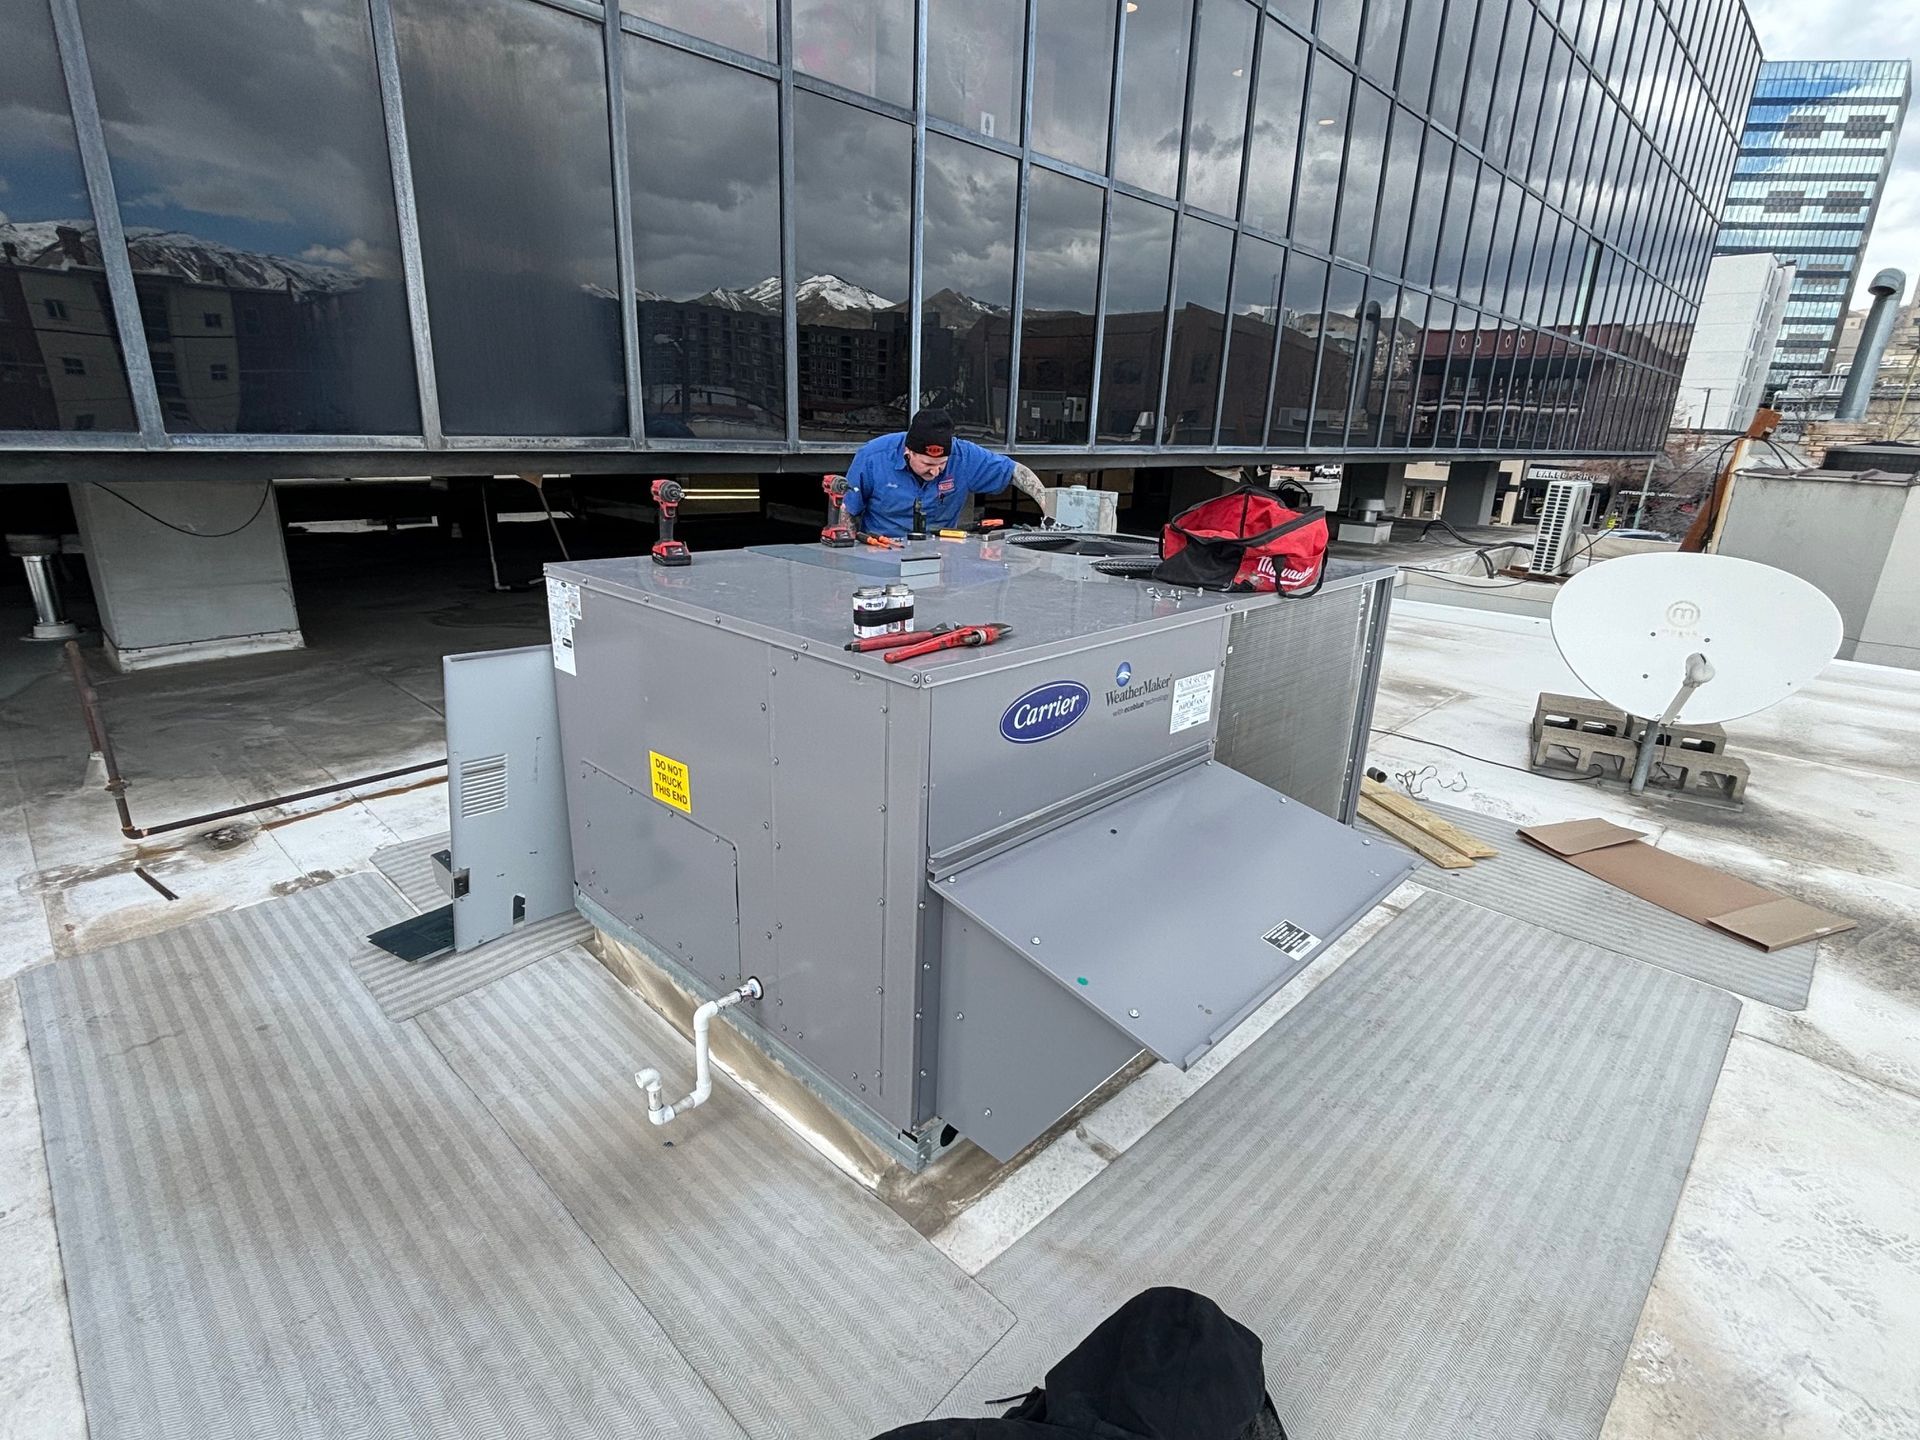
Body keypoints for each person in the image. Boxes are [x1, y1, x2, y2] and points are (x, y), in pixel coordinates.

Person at [843, 407, 1048, 537]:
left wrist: (1050, 510)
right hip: (881, 550)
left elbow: (1016, 472)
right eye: (927, 464)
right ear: (908, 452)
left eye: (941, 464)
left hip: (942, 552)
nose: (934, 472)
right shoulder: (873, 457)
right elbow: (848, 510)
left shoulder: (965, 456)